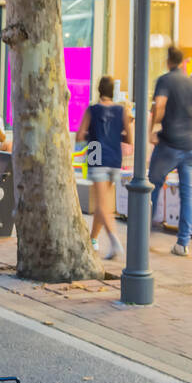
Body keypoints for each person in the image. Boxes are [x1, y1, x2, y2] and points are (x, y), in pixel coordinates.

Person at [148, 46, 192, 257]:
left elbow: (160, 105)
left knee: (151, 187)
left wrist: (152, 130)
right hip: (190, 146)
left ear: (168, 60)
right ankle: (183, 243)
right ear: (183, 61)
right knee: (186, 193)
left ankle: (143, 234)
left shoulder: (165, 80)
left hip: (169, 144)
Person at [75, 76, 132, 260]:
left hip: (96, 153)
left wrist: (92, 133)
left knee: (101, 204)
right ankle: (93, 239)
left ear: (98, 90)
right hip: (115, 157)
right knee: (104, 202)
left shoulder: (92, 110)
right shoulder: (121, 110)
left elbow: (79, 136)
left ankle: (114, 241)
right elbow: (129, 138)